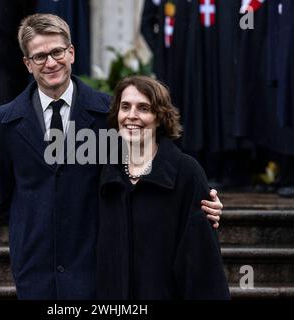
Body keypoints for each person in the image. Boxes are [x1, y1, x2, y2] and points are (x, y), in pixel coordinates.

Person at [0, 13, 223, 300]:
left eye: (57, 52)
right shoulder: (4, 122)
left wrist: (198, 198)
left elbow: (149, 163)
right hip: (35, 268)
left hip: (97, 268)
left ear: (71, 52)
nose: (50, 63)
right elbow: (4, 196)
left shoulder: (109, 114)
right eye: (39, 56)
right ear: (27, 63)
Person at [97, 75, 230, 299]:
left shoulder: (186, 172)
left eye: (143, 108)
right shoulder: (105, 171)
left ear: (159, 117)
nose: (131, 116)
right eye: (125, 107)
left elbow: (202, 262)